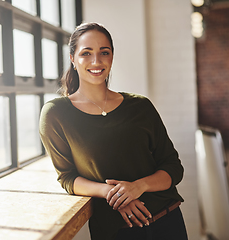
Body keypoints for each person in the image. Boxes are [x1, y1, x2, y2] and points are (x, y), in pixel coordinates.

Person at [39, 22, 188, 240]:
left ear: (112, 57)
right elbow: (68, 178)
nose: (96, 61)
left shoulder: (141, 106)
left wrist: (138, 186)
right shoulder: (56, 114)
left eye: (104, 52)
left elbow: (174, 167)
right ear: (73, 58)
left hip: (168, 221)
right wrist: (113, 194)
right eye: (86, 53)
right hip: (116, 231)